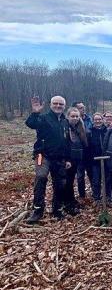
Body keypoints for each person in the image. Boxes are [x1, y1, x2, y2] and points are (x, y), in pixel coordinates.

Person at [25, 96, 72, 224]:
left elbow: (67, 142)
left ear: (64, 106)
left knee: (60, 184)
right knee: (41, 177)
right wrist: (35, 112)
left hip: (60, 158)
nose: (58, 106)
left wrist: (68, 159)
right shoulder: (43, 118)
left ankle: (57, 210)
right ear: (51, 105)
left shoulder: (65, 122)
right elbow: (31, 124)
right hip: (42, 156)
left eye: (60, 104)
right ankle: (37, 211)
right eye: (55, 104)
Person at [64, 107, 88, 215]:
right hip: (68, 161)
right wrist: (66, 159)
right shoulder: (65, 128)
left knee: (71, 181)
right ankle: (67, 204)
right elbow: (64, 145)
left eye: (77, 116)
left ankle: (72, 200)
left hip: (77, 160)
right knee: (67, 183)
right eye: (72, 116)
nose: (75, 118)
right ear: (68, 116)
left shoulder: (79, 128)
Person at [72, 101, 93, 199]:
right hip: (77, 154)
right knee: (80, 177)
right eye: (80, 108)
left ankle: (95, 194)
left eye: (83, 107)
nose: (83, 109)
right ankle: (82, 196)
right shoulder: (72, 121)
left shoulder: (90, 120)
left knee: (92, 175)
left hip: (89, 153)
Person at [89, 112, 111, 203]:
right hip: (95, 160)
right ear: (93, 121)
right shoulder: (89, 132)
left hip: (107, 159)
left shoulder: (108, 131)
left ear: (103, 120)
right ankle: (97, 197)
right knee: (96, 180)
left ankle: (108, 196)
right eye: (95, 119)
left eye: (99, 119)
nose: (97, 121)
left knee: (108, 179)